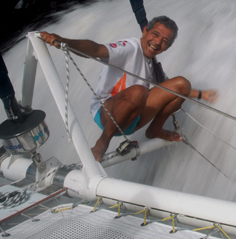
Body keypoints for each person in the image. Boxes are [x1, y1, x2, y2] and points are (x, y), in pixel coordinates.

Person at [40, 16, 218, 162]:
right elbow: (96, 49)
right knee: (139, 91)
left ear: (168, 47)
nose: (157, 42)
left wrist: (203, 95)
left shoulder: (153, 65)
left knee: (181, 85)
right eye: (155, 34)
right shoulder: (129, 47)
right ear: (145, 31)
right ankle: (102, 142)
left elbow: (174, 88)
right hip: (106, 113)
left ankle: (155, 129)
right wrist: (64, 41)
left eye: (164, 41)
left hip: (134, 117)